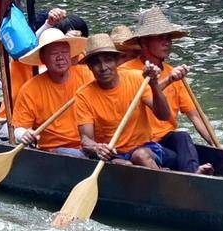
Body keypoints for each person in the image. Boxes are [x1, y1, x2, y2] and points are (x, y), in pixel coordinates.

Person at [119, 8, 216, 173]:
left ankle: (194, 175)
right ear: (144, 42)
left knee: (182, 136)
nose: (167, 42)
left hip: (166, 145)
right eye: (160, 38)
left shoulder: (173, 72)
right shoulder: (126, 72)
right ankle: (190, 173)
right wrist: (167, 80)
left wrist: (216, 144)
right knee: (161, 148)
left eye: (168, 38)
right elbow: (141, 96)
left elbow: (196, 115)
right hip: (141, 145)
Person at [73, 34, 181, 170]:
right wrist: (97, 148)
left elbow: (164, 115)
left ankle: (164, 185)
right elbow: (86, 140)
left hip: (144, 148)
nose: (103, 67)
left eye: (108, 60)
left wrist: (154, 85)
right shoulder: (83, 95)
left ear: (117, 61)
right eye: (96, 63)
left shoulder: (136, 78)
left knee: (140, 156)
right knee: (125, 165)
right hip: (112, 154)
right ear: (89, 67)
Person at [10, 28, 88, 156]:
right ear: (43, 59)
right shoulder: (30, 89)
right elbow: (19, 128)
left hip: (90, 144)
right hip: (55, 151)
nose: (60, 57)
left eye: (64, 52)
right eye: (54, 53)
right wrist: (24, 134)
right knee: (76, 155)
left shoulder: (87, 76)